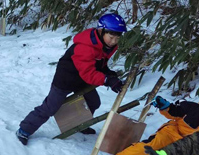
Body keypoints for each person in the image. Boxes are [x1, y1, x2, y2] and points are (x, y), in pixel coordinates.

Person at [16, 13, 127, 145]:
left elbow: (98, 63)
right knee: (50, 107)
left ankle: (76, 124)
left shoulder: (106, 45)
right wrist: (107, 80)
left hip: (82, 79)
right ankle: (24, 129)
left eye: (117, 37)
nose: (114, 41)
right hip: (66, 79)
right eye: (111, 37)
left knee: (93, 102)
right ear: (100, 30)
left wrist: (109, 74)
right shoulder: (85, 47)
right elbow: (88, 72)